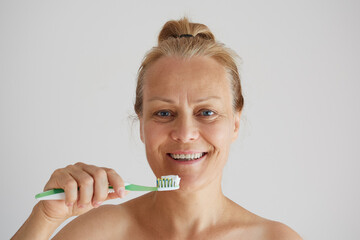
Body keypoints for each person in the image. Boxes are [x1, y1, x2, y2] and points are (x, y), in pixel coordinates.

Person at [12, 17, 302, 240]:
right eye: (164, 113)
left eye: (207, 112)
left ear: (235, 124)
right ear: (141, 124)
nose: (185, 132)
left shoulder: (275, 238)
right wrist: (45, 217)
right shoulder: (98, 233)